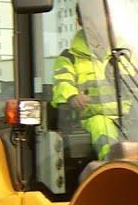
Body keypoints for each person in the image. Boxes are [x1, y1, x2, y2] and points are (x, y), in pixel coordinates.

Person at [50, 9, 123, 160]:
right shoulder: (68, 57)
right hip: (95, 115)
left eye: (102, 17)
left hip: (131, 117)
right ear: (80, 21)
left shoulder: (123, 53)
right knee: (102, 128)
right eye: (92, 18)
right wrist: (72, 96)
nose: (98, 23)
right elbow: (62, 82)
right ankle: (113, 167)